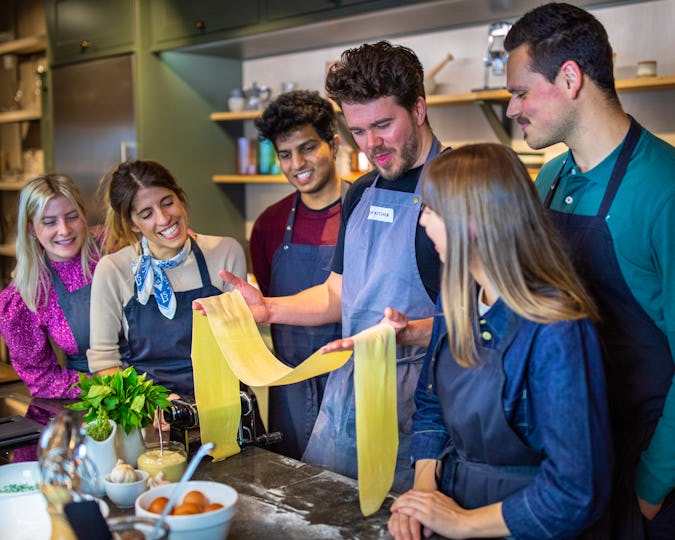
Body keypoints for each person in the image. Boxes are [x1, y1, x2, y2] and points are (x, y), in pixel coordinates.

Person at [197, 41, 442, 491]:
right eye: (359, 131)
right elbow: (336, 294)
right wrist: (268, 310)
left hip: (427, 408)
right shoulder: (361, 193)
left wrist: (411, 331)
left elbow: (490, 319)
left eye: (383, 125)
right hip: (349, 403)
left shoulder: (461, 187)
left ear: (420, 108)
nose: (372, 146)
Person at [504, 4, 675, 538]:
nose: (511, 108)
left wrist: (652, 482)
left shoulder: (663, 189)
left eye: (521, 91)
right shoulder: (549, 177)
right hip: (566, 457)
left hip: (639, 458)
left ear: (570, 78)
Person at [387, 143, 612, 540]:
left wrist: (464, 523)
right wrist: (424, 497)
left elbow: (575, 491)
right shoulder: (455, 296)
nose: (423, 222)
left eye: (433, 210)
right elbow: (430, 406)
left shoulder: (556, 328)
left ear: (471, 223)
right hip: (453, 505)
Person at [87, 160, 246, 396]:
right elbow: (104, 363)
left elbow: (238, 345)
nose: (164, 219)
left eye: (167, 203)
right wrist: (152, 405)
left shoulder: (226, 253)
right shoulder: (113, 270)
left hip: (222, 404)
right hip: (150, 419)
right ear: (133, 224)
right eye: (147, 214)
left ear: (180, 198)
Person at [250, 89, 348, 459]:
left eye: (307, 148)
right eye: (285, 154)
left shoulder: (363, 212)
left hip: (351, 380)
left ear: (333, 144)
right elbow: (269, 293)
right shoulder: (268, 225)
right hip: (289, 385)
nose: (297, 163)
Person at [0, 174, 99, 398]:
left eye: (72, 217)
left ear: (84, 215)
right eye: (49, 222)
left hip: (163, 381)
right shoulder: (27, 295)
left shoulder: (113, 249)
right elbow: (42, 379)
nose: (64, 230)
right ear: (31, 228)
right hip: (99, 403)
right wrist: (108, 387)